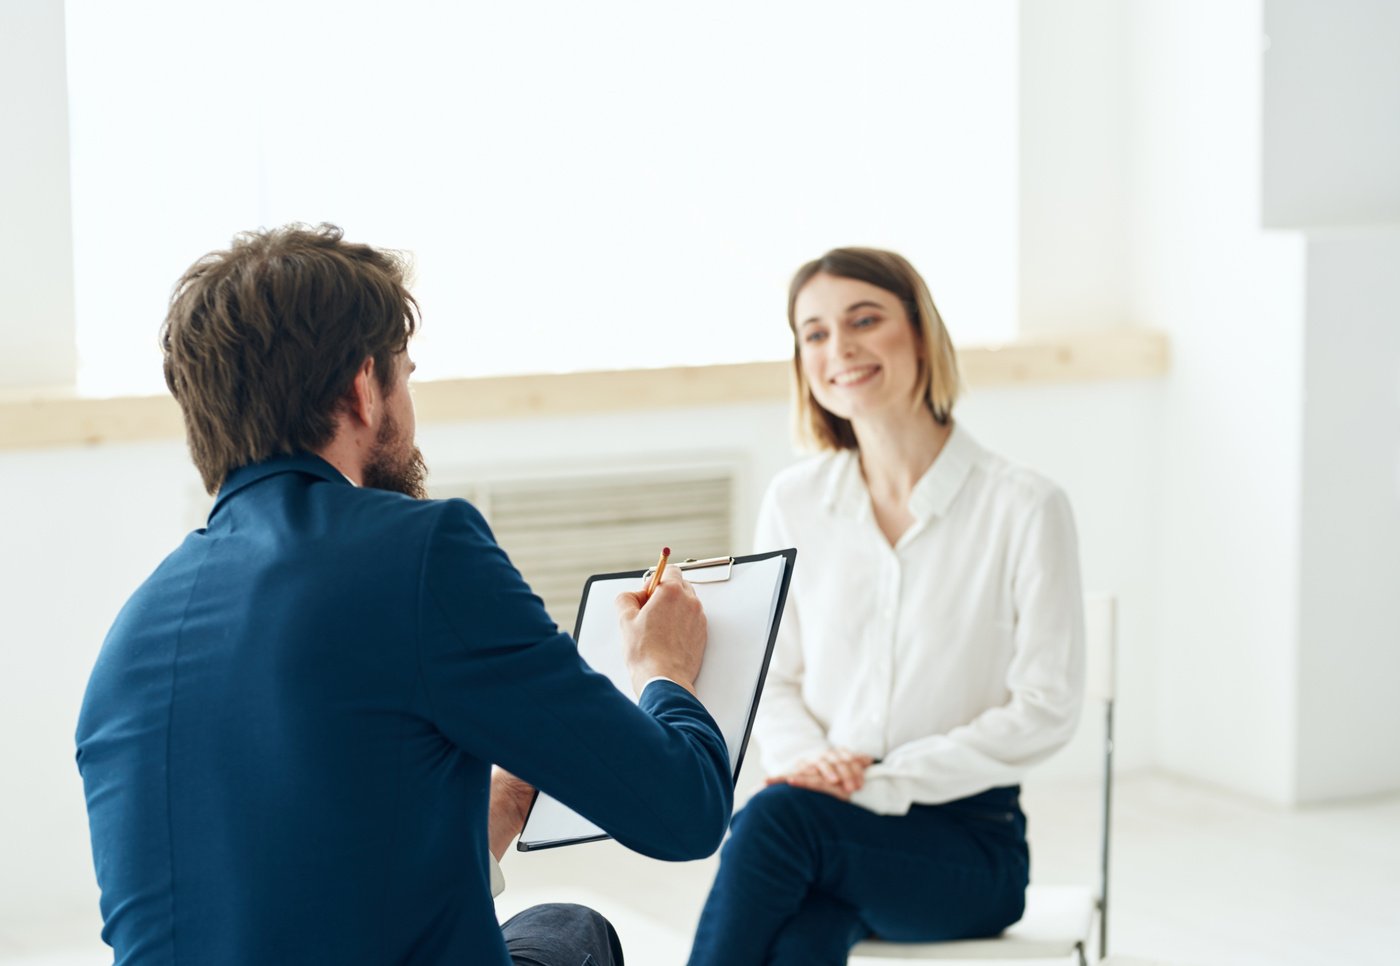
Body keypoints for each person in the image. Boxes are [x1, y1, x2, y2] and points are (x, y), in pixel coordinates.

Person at [74, 224, 733, 966]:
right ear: (363, 388)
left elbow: (282, 898)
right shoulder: (420, 552)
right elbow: (684, 814)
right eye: (406, 375)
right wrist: (664, 670)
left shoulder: (131, 636)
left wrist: (502, 806)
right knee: (573, 931)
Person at [687, 248, 1086, 965]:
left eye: (863, 320)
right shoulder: (796, 501)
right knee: (801, 935)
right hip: (825, 824)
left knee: (775, 827)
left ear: (921, 333)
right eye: (814, 333)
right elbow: (773, 680)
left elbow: (1047, 707)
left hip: (967, 848)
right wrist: (816, 766)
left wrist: (875, 781)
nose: (839, 348)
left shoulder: (1025, 507)